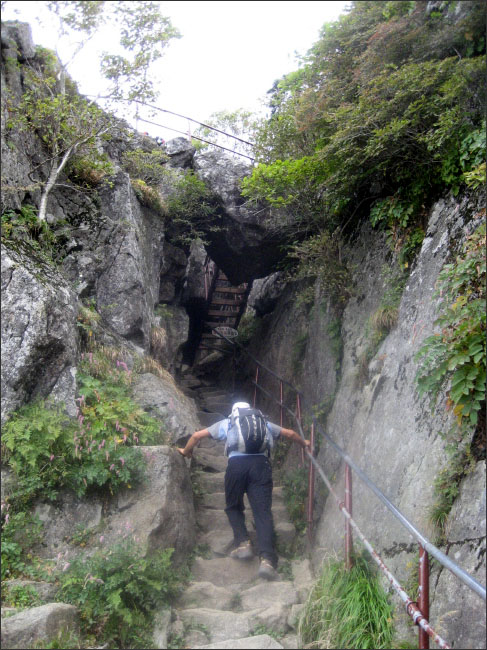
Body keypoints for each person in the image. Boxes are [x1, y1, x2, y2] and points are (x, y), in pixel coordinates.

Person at [177, 401, 311, 580]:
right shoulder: (263, 422)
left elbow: (196, 436)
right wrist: (305, 443)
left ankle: (243, 543)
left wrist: (186, 452)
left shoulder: (229, 422)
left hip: (236, 467)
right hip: (261, 466)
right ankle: (267, 561)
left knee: (233, 506)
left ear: (235, 411)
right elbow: (290, 433)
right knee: (262, 513)